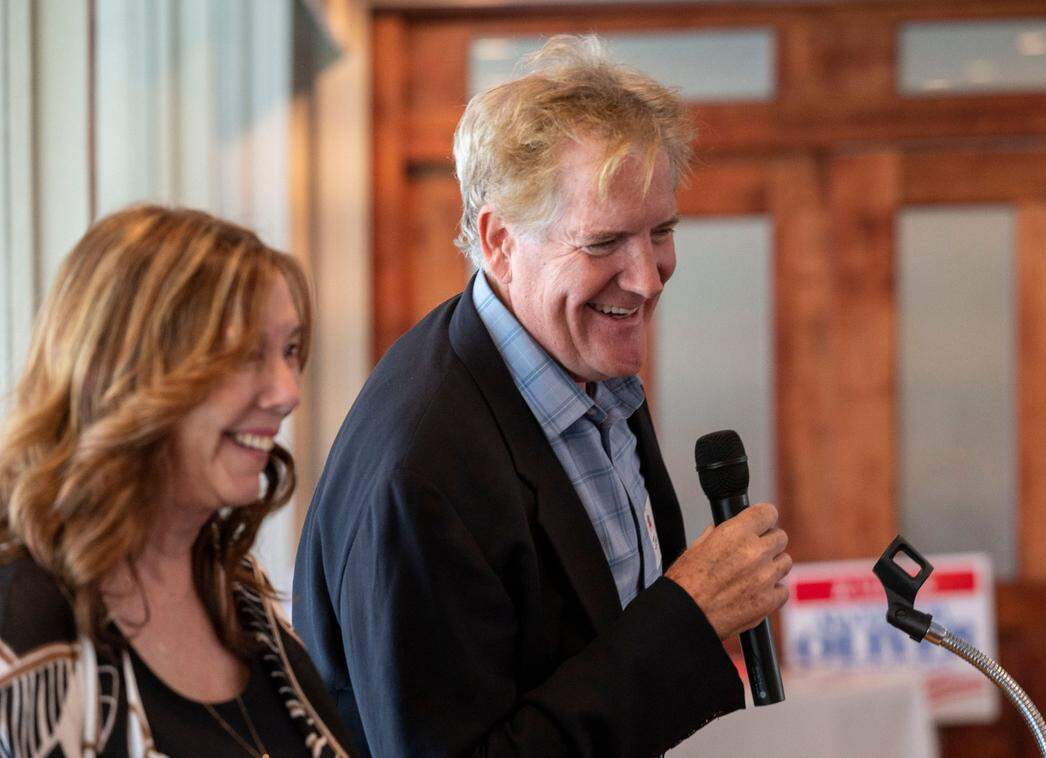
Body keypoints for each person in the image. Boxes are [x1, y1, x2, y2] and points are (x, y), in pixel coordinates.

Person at [293, 36, 792, 758]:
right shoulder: (424, 469)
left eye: (661, 232)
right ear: (498, 241)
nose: (648, 279)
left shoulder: (585, 355)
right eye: (604, 243)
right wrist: (687, 617)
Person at [0, 206, 353, 757]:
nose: (288, 392)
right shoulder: (20, 616)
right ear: (129, 371)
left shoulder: (233, 583)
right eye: (244, 355)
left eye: (288, 351)